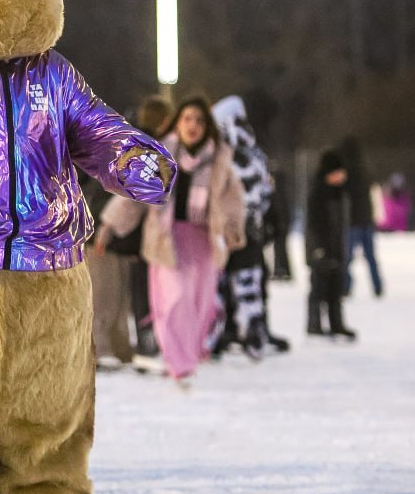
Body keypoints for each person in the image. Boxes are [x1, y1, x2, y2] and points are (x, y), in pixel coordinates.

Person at [101, 96, 245, 387]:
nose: (193, 126)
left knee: (197, 305)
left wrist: (230, 232)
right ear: (178, 123)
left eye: (200, 121)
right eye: (187, 119)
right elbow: (135, 192)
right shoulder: (159, 155)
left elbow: (232, 200)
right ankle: (178, 362)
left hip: (202, 240)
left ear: (208, 127)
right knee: (173, 300)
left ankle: (188, 355)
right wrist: (109, 226)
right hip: (166, 239)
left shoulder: (219, 158)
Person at [87, 95, 173, 373]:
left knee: (118, 296)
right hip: (103, 230)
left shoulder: (133, 143)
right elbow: (123, 197)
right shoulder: (143, 150)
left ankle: (119, 348)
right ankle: (99, 349)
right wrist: (106, 229)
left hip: (115, 235)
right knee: (105, 295)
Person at [209, 95, 290, 359]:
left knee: (241, 281)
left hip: (240, 227)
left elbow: (260, 189)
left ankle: (242, 330)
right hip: (238, 227)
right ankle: (240, 330)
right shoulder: (240, 149)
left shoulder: (239, 149)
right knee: (241, 281)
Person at [306, 149, 355, 340]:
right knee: (319, 286)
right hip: (321, 248)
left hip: (337, 247)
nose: (342, 176)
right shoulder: (318, 194)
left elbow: (342, 224)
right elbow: (313, 226)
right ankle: (314, 324)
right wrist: (316, 249)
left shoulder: (341, 194)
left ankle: (337, 323)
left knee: (336, 287)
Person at [340, 136, 383, 298]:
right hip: (366, 219)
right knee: (371, 257)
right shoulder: (365, 170)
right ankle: (377, 285)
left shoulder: (346, 173)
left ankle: (346, 286)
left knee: (347, 257)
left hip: (352, 220)